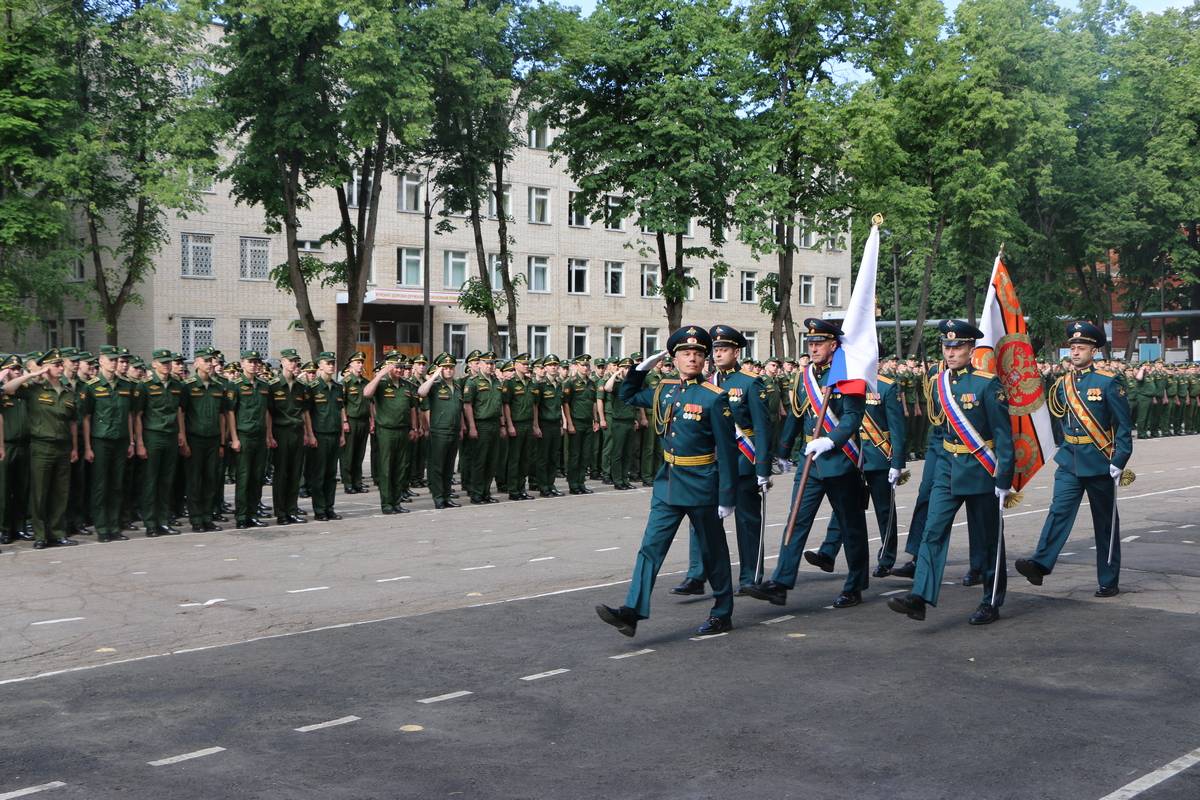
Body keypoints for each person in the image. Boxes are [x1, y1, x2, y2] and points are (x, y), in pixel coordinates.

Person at [595, 325, 739, 637]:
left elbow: (728, 452)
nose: (692, 358)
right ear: (673, 359)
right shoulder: (666, 390)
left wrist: (727, 495)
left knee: (713, 551)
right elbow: (627, 394)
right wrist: (639, 369)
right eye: (685, 353)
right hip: (668, 481)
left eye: (698, 354)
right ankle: (632, 611)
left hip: (702, 483)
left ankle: (722, 611)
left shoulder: (714, 398)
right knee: (650, 547)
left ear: (705, 361)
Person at [887, 320, 1014, 626]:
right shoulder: (938, 382)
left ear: (971, 350)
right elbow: (941, 427)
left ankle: (991, 599)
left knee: (987, 540)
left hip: (980, 467)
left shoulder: (987, 384)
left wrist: (1004, 479)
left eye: (958, 347)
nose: (951, 352)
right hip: (947, 466)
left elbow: (1004, 435)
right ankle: (920, 596)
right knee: (933, 531)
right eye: (947, 347)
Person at [744, 318, 870, 609]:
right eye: (810, 343)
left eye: (819, 343)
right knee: (796, 520)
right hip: (811, 462)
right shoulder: (805, 376)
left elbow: (852, 416)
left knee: (850, 525)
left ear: (833, 345)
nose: (813, 348)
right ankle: (781, 582)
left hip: (841, 459)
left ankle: (855, 584)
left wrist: (831, 440)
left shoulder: (847, 372)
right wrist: (784, 450)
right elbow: (798, 415)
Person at [1015, 322, 1133, 598]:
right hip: (1070, 460)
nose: (1076, 351)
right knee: (1059, 512)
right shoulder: (1061, 384)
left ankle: (1108, 578)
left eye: (1081, 347)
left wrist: (1120, 459)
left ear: (1094, 350)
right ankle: (1040, 564)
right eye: (1072, 347)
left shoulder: (1107, 381)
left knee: (1104, 524)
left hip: (1100, 461)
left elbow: (1124, 426)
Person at [671, 325, 772, 597]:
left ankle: (750, 575)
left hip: (742, 459)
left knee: (747, 521)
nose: (717, 354)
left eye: (723, 349)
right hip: (710, 462)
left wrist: (763, 467)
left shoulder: (750, 382)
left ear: (736, 352)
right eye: (714, 349)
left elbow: (762, 427)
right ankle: (696, 575)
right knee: (699, 519)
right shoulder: (704, 383)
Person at [807, 353, 906, 580]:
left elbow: (898, 428)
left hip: (878, 457)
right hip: (851, 455)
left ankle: (886, 558)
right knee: (845, 508)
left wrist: (897, 463)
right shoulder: (843, 384)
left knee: (884, 511)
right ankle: (828, 552)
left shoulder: (886, 387)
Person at [4, 350, 80, 549]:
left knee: (60, 492)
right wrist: (31, 375)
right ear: (46, 367)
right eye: (55, 365)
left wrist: (74, 447)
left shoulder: (68, 391)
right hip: (41, 445)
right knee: (39, 492)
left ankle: (57, 533)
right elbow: (7, 388)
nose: (60, 368)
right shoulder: (34, 389)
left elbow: (73, 422)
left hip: (63, 446)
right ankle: (40, 535)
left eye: (61, 365)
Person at [78, 345, 140, 542]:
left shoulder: (126, 386)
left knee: (117, 485)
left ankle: (114, 526)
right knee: (100, 486)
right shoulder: (92, 386)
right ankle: (102, 527)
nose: (114, 363)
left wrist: (131, 441)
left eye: (116, 359)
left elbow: (130, 416)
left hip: (121, 440)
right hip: (101, 440)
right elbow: (86, 418)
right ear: (101, 361)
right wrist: (87, 447)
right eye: (111, 359)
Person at [139, 349, 186, 536]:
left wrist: (181, 433)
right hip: (153, 435)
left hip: (171, 434)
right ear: (154, 364)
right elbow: (138, 415)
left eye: (169, 362)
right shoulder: (146, 386)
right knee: (151, 480)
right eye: (163, 362)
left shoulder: (177, 385)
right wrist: (140, 441)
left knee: (167, 480)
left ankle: (164, 520)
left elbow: (179, 411)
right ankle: (151, 522)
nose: (167, 365)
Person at [364, 353, 418, 514]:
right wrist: (380, 374)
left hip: (403, 430)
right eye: (396, 367)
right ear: (388, 367)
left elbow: (412, 408)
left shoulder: (406, 386)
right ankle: (387, 504)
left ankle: (396, 502)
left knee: (401, 468)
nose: (400, 370)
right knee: (387, 468)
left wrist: (414, 428)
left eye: (401, 367)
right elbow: (366, 393)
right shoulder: (381, 383)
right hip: (386, 431)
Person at [226, 350, 274, 529]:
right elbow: (230, 412)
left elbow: (268, 412)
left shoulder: (263, 385)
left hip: (260, 436)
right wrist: (234, 438)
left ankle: (253, 514)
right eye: (250, 362)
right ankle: (241, 516)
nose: (254, 365)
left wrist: (269, 435)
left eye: (256, 362)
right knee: (244, 478)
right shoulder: (235, 385)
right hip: (244, 436)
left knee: (257, 477)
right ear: (242, 363)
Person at [268, 349, 314, 525]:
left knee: (295, 473)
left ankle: (292, 510)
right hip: (280, 432)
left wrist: (309, 434)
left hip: (297, 432)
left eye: (296, 361)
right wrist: (269, 435)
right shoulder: (273, 386)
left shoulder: (302, 387)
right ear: (283, 362)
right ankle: (280, 512)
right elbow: (269, 413)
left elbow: (305, 412)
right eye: (291, 360)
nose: (294, 364)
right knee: (281, 474)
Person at [418, 353, 464, 509]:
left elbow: (459, 409)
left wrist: (461, 427)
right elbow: (421, 392)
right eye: (445, 368)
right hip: (439, 431)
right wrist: (435, 375)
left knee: (449, 467)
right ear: (440, 369)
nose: (449, 370)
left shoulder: (457, 387)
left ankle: (446, 496)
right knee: (437, 466)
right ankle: (438, 497)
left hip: (454, 430)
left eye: (451, 367)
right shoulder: (435, 385)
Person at [308, 351, 347, 521]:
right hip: (319, 434)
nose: (331, 365)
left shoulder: (338, 388)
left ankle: (329, 507)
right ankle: (319, 509)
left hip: (333, 434)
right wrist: (310, 434)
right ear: (320, 366)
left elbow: (339, 411)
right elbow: (307, 413)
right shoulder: (312, 387)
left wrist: (341, 434)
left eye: (333, 363)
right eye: (328, 363)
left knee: (331, 475)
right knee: (319, 474)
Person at [462, 351, 502, 504]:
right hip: (481, 424)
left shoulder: (497, 381)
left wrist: (503, 424)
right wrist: (472, 426)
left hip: (495, 423)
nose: (491, 366)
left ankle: (486, 492)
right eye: (488, 363)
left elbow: (500, 404)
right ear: (480, 364)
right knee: (480, 461)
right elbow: (467, 405)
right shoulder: (473, 382)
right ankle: (476, 493)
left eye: (493, 363)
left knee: (492, 461)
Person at [502, 353, 536, 501]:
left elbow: (534, 405)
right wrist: (509, 425)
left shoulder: (531, 382)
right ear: (515, 365)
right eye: (523, 363)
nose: (526, 366)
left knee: (525, 459)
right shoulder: (509, 383)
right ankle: (513, 490)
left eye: (527, 364)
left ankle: (522, 488)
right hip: (516, 424)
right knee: (514, 459)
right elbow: (506, 405)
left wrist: (535, 425)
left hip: (528, 424)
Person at [562, 355, 598, 495]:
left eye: (587, 365)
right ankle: (573, 484)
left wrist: (595, 420)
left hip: (588, 422)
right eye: (582, 365)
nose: (585, 368)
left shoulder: (591, 383)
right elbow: (566, 404)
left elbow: (593, 402)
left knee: (585, 455)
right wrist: (569, 423)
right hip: (576, 422)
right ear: (576, 366)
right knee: (575, 455)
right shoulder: (570, 382)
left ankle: (581, 482)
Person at [340, 351, 370, 493]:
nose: (360, 365)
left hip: (364, 420)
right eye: (357, 362)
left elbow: (370, 403)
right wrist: (344, 421)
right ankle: (348, 483)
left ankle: (357, 482)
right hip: (351, 420)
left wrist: (372, 421)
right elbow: (341, 404)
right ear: (351, 365)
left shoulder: (366, 382)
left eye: (362, 362)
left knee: (360, 453)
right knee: (349, 454)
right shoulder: (345, 383)